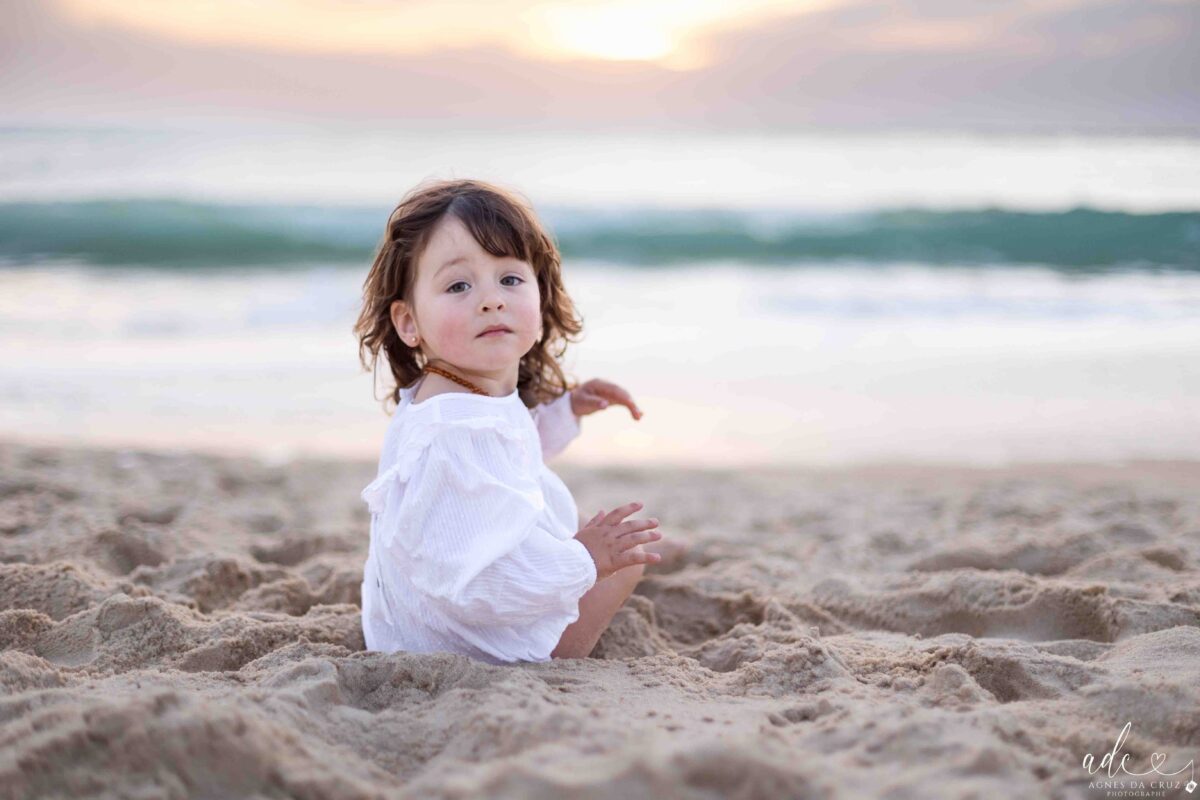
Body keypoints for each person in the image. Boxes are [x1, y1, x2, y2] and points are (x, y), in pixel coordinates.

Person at [353, 178, 683, 664]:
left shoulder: (455, 395)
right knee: (623, 563)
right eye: (459, 285)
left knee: (593, 530)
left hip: (421, 622)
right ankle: (566, 649)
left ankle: (626, 550)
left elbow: (506, 458)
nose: (491, 300)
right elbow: (477, 584)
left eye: (509, 279)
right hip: (469, 644)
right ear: (408, 322)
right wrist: (585, 560)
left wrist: (566, 410)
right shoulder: (454, 433)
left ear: (540, 294)